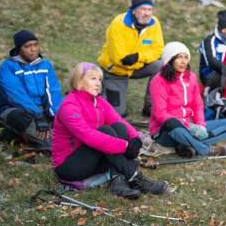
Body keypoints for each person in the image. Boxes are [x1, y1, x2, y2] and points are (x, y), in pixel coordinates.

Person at [52, 62, 168, 199]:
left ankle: (117, 182)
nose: (98, 83)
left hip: (91, 157)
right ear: (79, 80)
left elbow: (118, 120)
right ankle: (135, 178)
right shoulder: (69, 106)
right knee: (106, 131)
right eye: (93, 79)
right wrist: (125, 146)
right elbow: (88, 136)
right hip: (69, 166)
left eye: (100, 80)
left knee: (119, 128)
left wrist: (135, 139)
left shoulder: (98, 101)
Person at [149, 42, 226, 157]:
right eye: (179, 57)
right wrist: (187, 126)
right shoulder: (158, 81)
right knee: (172, 123)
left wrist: (200, 125)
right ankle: (206, 150)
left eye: (186, 57)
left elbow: (197, 105)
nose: (183, 61)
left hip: (191, 127)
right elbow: (159, 114)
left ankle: (187, 144)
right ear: (170, 59)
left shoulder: (191, 77)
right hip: (166, 130)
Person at [98, 0, 165, 117]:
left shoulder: (154, 23)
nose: (147, 13)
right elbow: (119, 58)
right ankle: (99, 87)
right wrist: (141, 60)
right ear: (134, 10)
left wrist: (138, 57)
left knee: (162, 65)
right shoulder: (118, 24)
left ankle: (150, 106)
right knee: (117, 114)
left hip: (136, 65)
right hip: (116, 71)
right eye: (143, 9)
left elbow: (158, 50)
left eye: (150, 9)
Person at [0, 30, 63, 151]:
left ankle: (20, 136)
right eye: (27, 46)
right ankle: (50, 144)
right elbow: (16, 97)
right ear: (18, 48)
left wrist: (55, 115)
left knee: (66, 116)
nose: (33, 49)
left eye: (35, 45)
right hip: (16, 109)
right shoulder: (7, 67)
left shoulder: (45, 65)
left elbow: (53, 91)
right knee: (20, 119)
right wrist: (37, 115)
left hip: (43, 110)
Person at [199, 10, 226, 89]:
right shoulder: (209, 41)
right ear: (223, 29)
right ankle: (209, 94)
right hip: (210, 75)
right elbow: (212, 62)